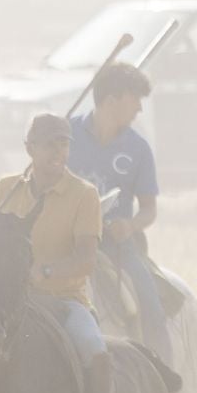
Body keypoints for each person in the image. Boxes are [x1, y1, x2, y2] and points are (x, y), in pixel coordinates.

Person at [0, 114, 118, 393]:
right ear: (29, 149)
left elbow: (85, 260)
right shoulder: (5, 189)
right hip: (11, 302)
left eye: (63, 143)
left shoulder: (84, 195)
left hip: (66, 301)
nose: (58, 151)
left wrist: (43, 272)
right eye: (50, 143)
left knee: (96, 354)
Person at [68, 62, 170, 364]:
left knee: (148, 298)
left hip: (116, 244)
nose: (139, 108)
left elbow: (149, 209)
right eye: (134, 99)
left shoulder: (138, 148)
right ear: (112, 98)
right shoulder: (66, 134)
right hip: (63, 238)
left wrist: (131, 224)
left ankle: (163, 372)